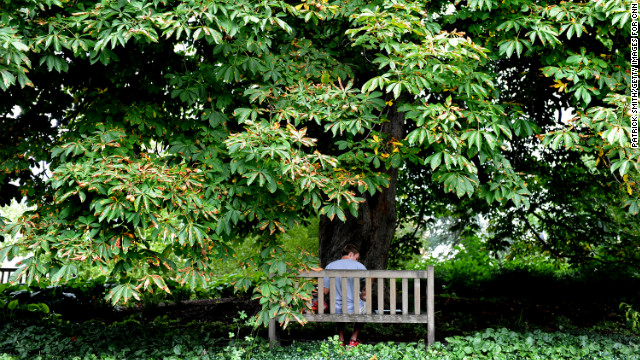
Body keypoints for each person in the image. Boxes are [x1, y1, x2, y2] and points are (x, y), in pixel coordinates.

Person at [323, 244, 366, 347]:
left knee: (338, 306)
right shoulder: (359, 266)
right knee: (366, 307)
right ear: (351, 254)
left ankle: (341, 339)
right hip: (354, 308)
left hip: (336, 308)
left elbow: (325, 291)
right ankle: (353, 339)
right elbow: (369, 280)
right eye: (356, 258)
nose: (356, 260)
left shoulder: (330, 266)